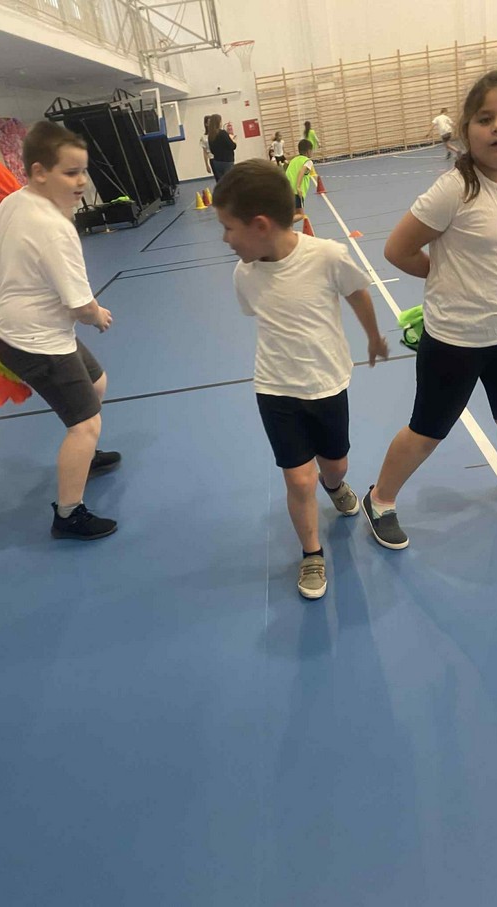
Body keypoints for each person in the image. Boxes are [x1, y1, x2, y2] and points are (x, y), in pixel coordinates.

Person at [363, 69, 497, 551]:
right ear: (467, 130)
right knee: (428, 431)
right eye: (485, 119)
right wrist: (445, 276)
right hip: (455, 338)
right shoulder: (455, 189)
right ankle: (380, 499)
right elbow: (397, 250)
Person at [212, 160, 389, 599]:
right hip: (275, 389)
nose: (225, 239)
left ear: (260, 225)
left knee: (335, 465)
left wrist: (373, 337)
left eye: (228, 228)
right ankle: (312, 553)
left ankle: (336, 485)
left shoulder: (326, 255)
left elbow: (357, 292)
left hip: (327, 384)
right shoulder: (244, 275)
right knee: (298, 480)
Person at [0, 120, 119, 540]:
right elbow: (80, 305)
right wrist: (98, 315)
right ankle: (68, 515)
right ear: (39, 172)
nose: (82, 181)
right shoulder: (55, 229)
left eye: (83, 171)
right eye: (71, 172)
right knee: (86, 424)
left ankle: (84, 457)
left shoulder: (14, 201)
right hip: (37, 342)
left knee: (96, 383)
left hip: (26, 329)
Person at [285, 139, 315, 223]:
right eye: (312, 150)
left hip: (286, 190)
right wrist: (298, 187)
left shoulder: (294, 160)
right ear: (308, 151)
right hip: (296, 192)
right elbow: (301, 171)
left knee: (293, 213)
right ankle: (283, 224)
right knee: (300, 214)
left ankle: (287, 228)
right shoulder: (308, 161)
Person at [206, 114, 236, 181]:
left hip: (217, 161)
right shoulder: (222, 133)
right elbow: (232, 146)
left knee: (221, 181)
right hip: (227, 161)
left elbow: (212, 150)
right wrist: (233, 139)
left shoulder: (210, 135)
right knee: (230, 181)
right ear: (218, 122)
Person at [200, 114, 216, 179]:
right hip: (212, 158)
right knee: (218, 177)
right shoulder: (204, 137)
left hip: (221, 158)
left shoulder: (218, 134)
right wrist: (207, 165)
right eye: (209, 122)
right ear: (206, 124)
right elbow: (205, 152)